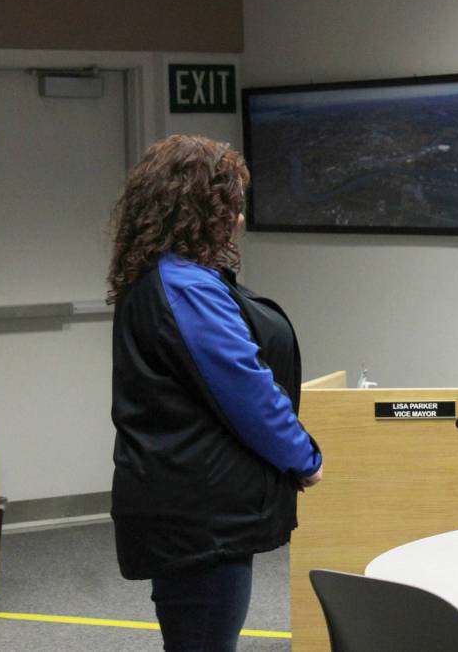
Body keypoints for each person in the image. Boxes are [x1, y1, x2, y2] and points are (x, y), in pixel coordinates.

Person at [106, 135, 323, 651]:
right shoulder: (187, 288)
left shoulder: (157, 278)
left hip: (182, 508)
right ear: (197, 210)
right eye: (231, 206)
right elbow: (248, 392)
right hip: (203, 522)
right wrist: (304, 457)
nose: (240, 220)